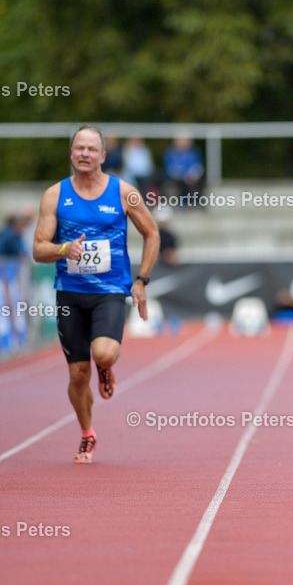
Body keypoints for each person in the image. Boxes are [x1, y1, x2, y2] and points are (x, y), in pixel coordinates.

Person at [32, 125, 159, 464]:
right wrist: (63, 249)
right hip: (70, 293)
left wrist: (141, 280)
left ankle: (105, 366)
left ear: (103, 155)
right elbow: (38, 249)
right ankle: (87, 433)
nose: (84, 154)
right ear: (71, 153)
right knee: (77, 375)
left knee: (102, 353)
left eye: (91, 149)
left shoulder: (124, 192)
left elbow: (152, 233)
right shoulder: (54, 195)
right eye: (79, 148)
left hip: (110, 292)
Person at [163, 136, 204, 207]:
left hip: (191, 178)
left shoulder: (194, 152)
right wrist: (183, 175)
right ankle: (180, 204)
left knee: (199, 183)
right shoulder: (171, 153)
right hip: (176, 178)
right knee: (178, 185)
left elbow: (198, 166)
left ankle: (196, 204)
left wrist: (192, 175)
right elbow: (170, 168)